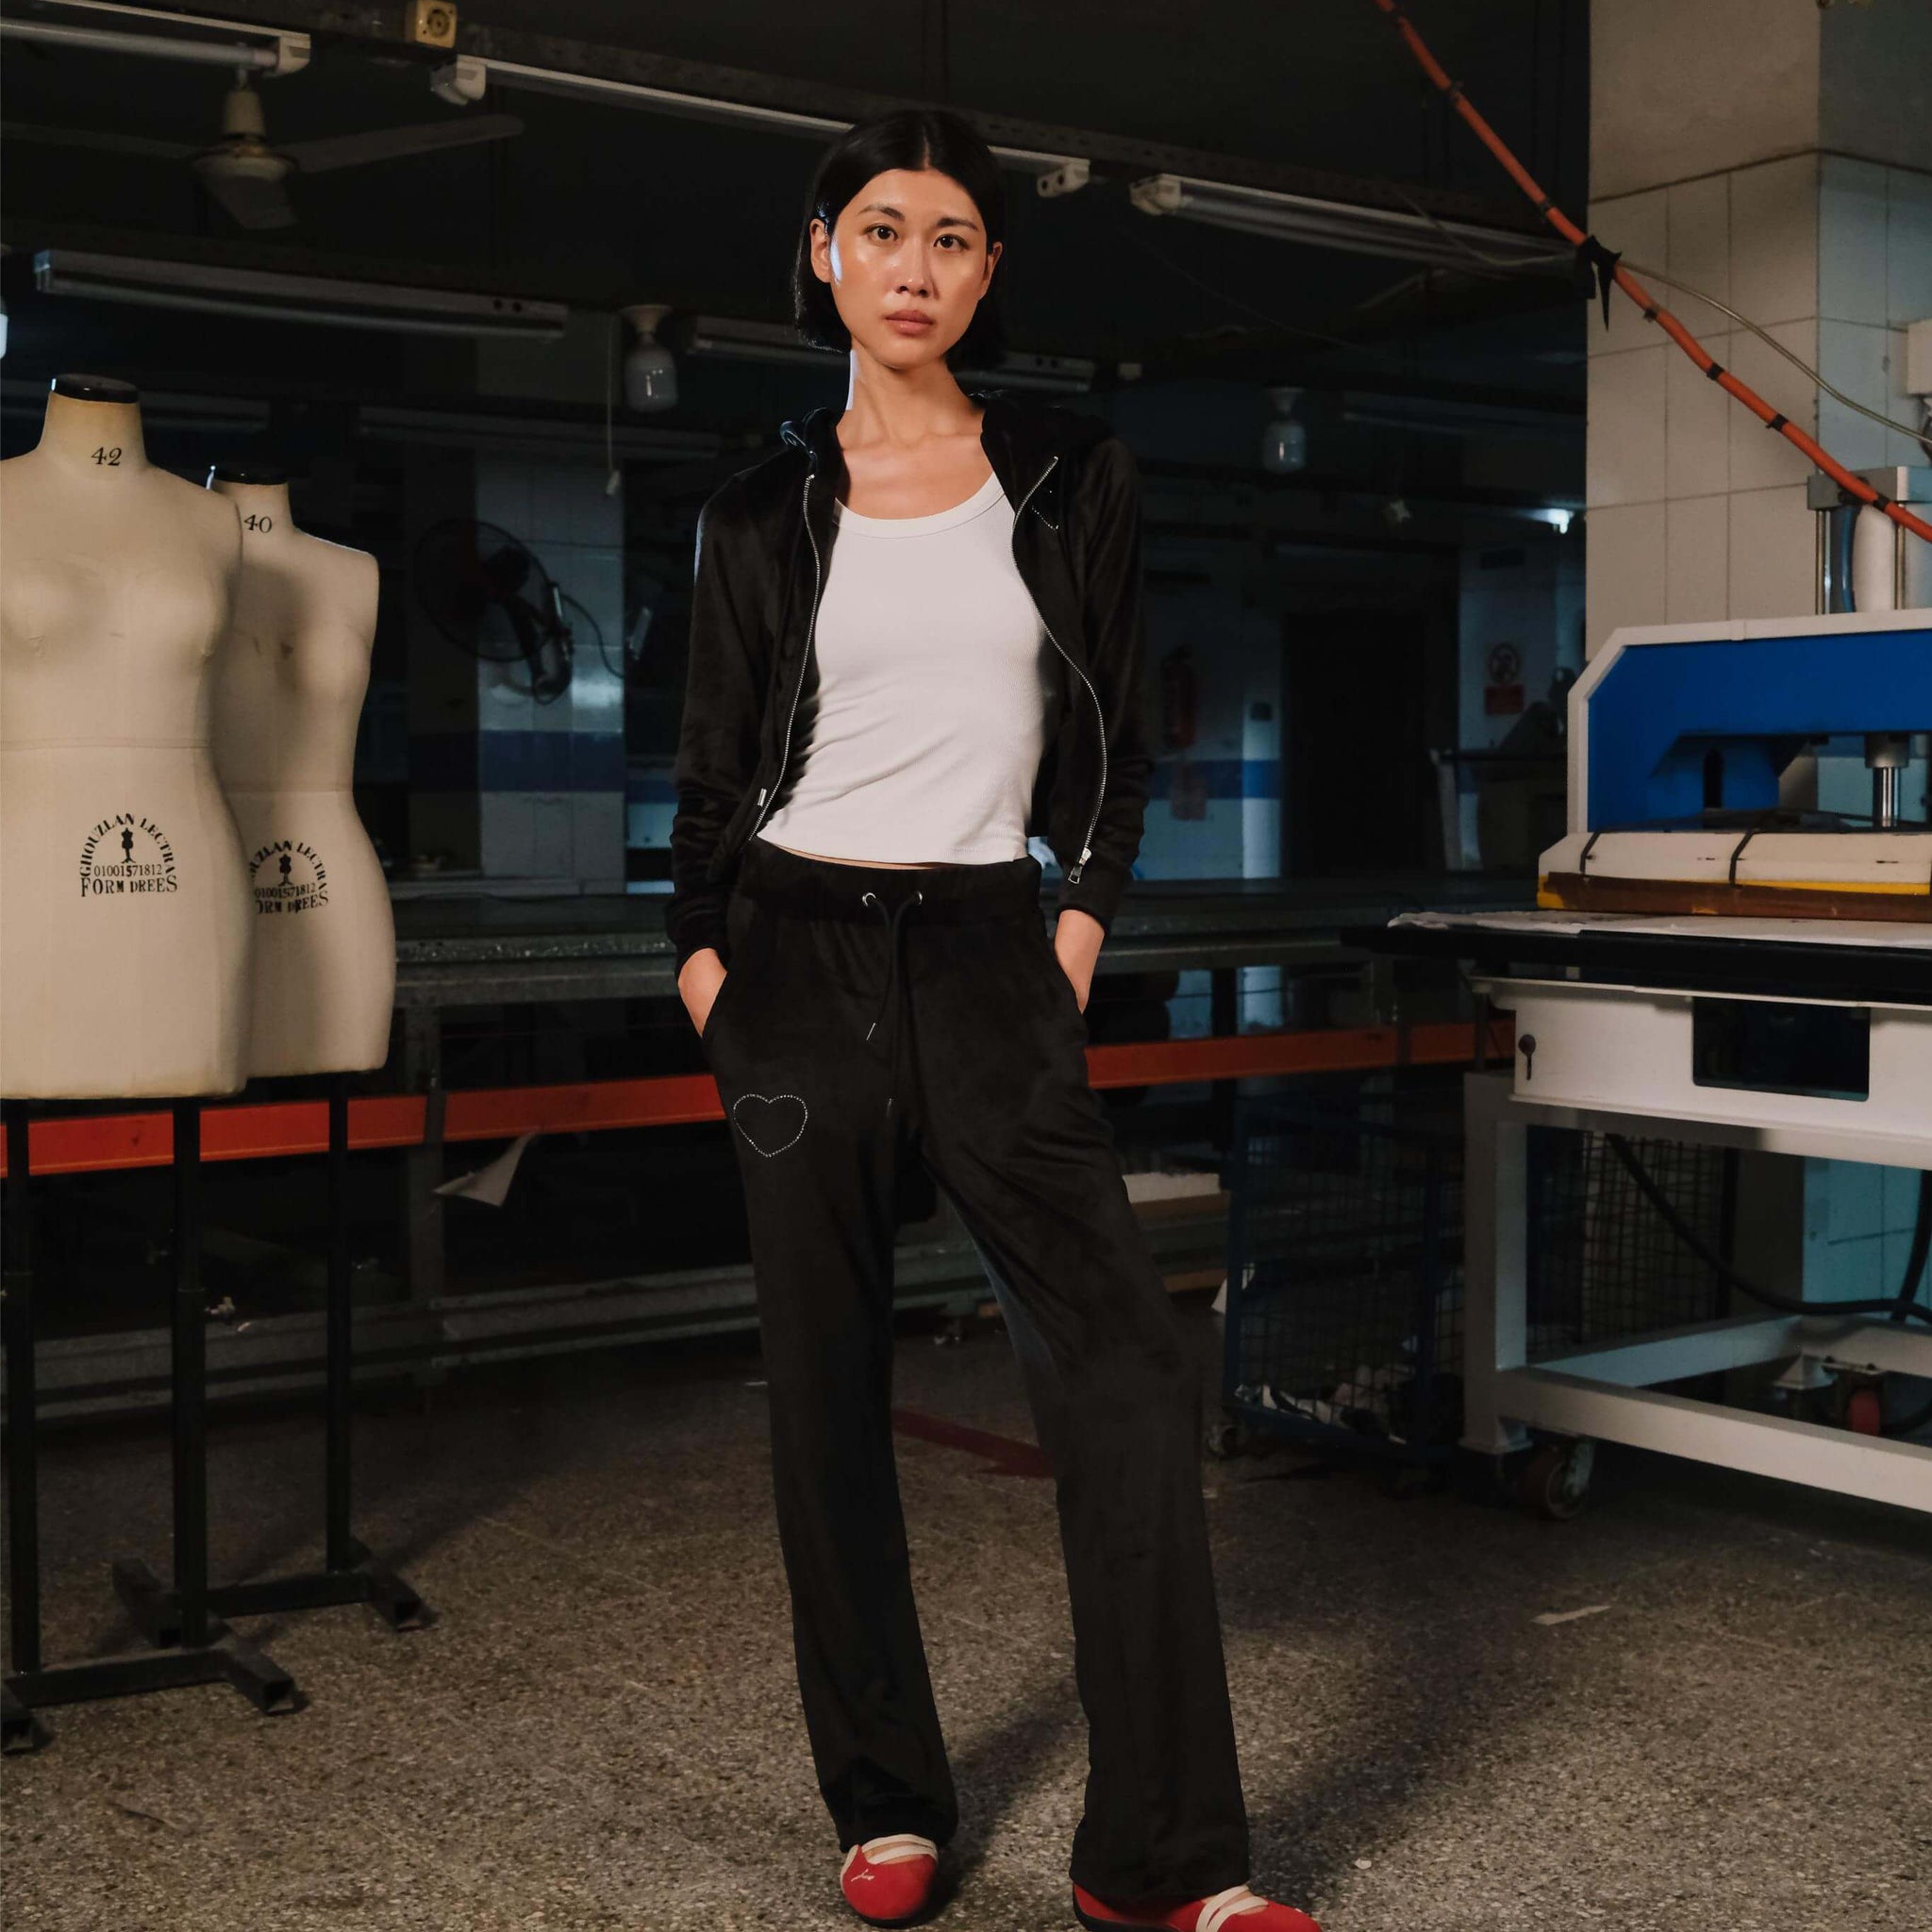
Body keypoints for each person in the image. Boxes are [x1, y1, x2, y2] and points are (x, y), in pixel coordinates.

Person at [663, 106, 1321, 1932]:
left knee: (1120, 1372)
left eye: (951, 239)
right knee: (825, 1399)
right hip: (789, 954)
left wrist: (1081, 918)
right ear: (824, 253)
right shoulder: (755, 504)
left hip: (984, 949)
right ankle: (883, 1804)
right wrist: (709, 973)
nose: (914, 266)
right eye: (882, 229)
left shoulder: (1065, 468)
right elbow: (710, 770)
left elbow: (1114, 716)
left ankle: (1168, 1861)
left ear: (985, 276)